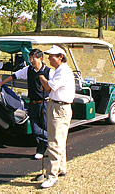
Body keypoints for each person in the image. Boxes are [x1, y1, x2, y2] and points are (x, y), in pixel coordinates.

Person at [0, 49, 55, 159]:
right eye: (30, 58)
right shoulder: (28, 69)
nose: (31, 60)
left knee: (44, 126)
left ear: (40, 58)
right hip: (32, 103)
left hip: (44, 103)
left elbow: (55, 86)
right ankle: (54, 142)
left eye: (33, 58)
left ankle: (41, 150)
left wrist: (51, 96)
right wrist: (1, 83)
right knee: (35, 129)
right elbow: (14, 76)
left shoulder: (49, 72)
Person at [39, 45, 75, 188]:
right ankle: (61, 168)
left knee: (54, 142)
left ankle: (52, 176)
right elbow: (52, 88)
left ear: (60, 57)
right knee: (60, 140)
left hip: (59, 108)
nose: (48, 58)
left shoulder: (63, 71)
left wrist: (41, 77)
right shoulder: (59, 70)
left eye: (51, 56)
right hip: (58, 105)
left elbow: (48, 87)